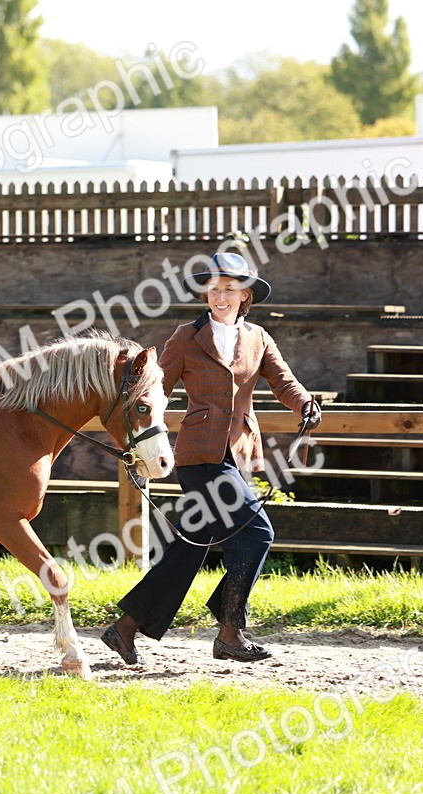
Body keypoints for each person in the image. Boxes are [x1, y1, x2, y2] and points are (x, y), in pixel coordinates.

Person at [101, 252, 321, 665]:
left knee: (191, 545)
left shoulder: (259, 338)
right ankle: (230, 630)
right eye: (214, 289)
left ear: (245, 295)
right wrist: (141, 439)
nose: (220, 296)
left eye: (230, 289)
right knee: (257, 533)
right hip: (199, 457)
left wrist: (305, 403)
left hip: (238, 455)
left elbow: (283, 380)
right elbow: (156, 387)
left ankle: (125, 628)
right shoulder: (186, 336)